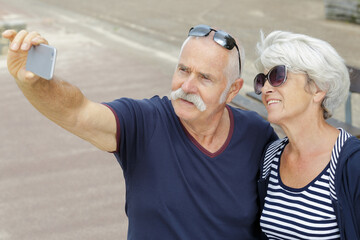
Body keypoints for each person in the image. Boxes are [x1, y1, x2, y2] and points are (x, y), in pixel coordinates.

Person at [2, 25, 277, 239]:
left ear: (232, 90)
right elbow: (77, 111)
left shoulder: (256, 134)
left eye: (205, 77)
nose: (187, 86)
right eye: (183, 69)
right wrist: (35, 82)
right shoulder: (145, 122)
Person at [254, 30, 360, 239]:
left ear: (318, 88)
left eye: (277, 76)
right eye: (262, 79)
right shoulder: (272, 156)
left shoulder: (351, 164)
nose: (265, 88)